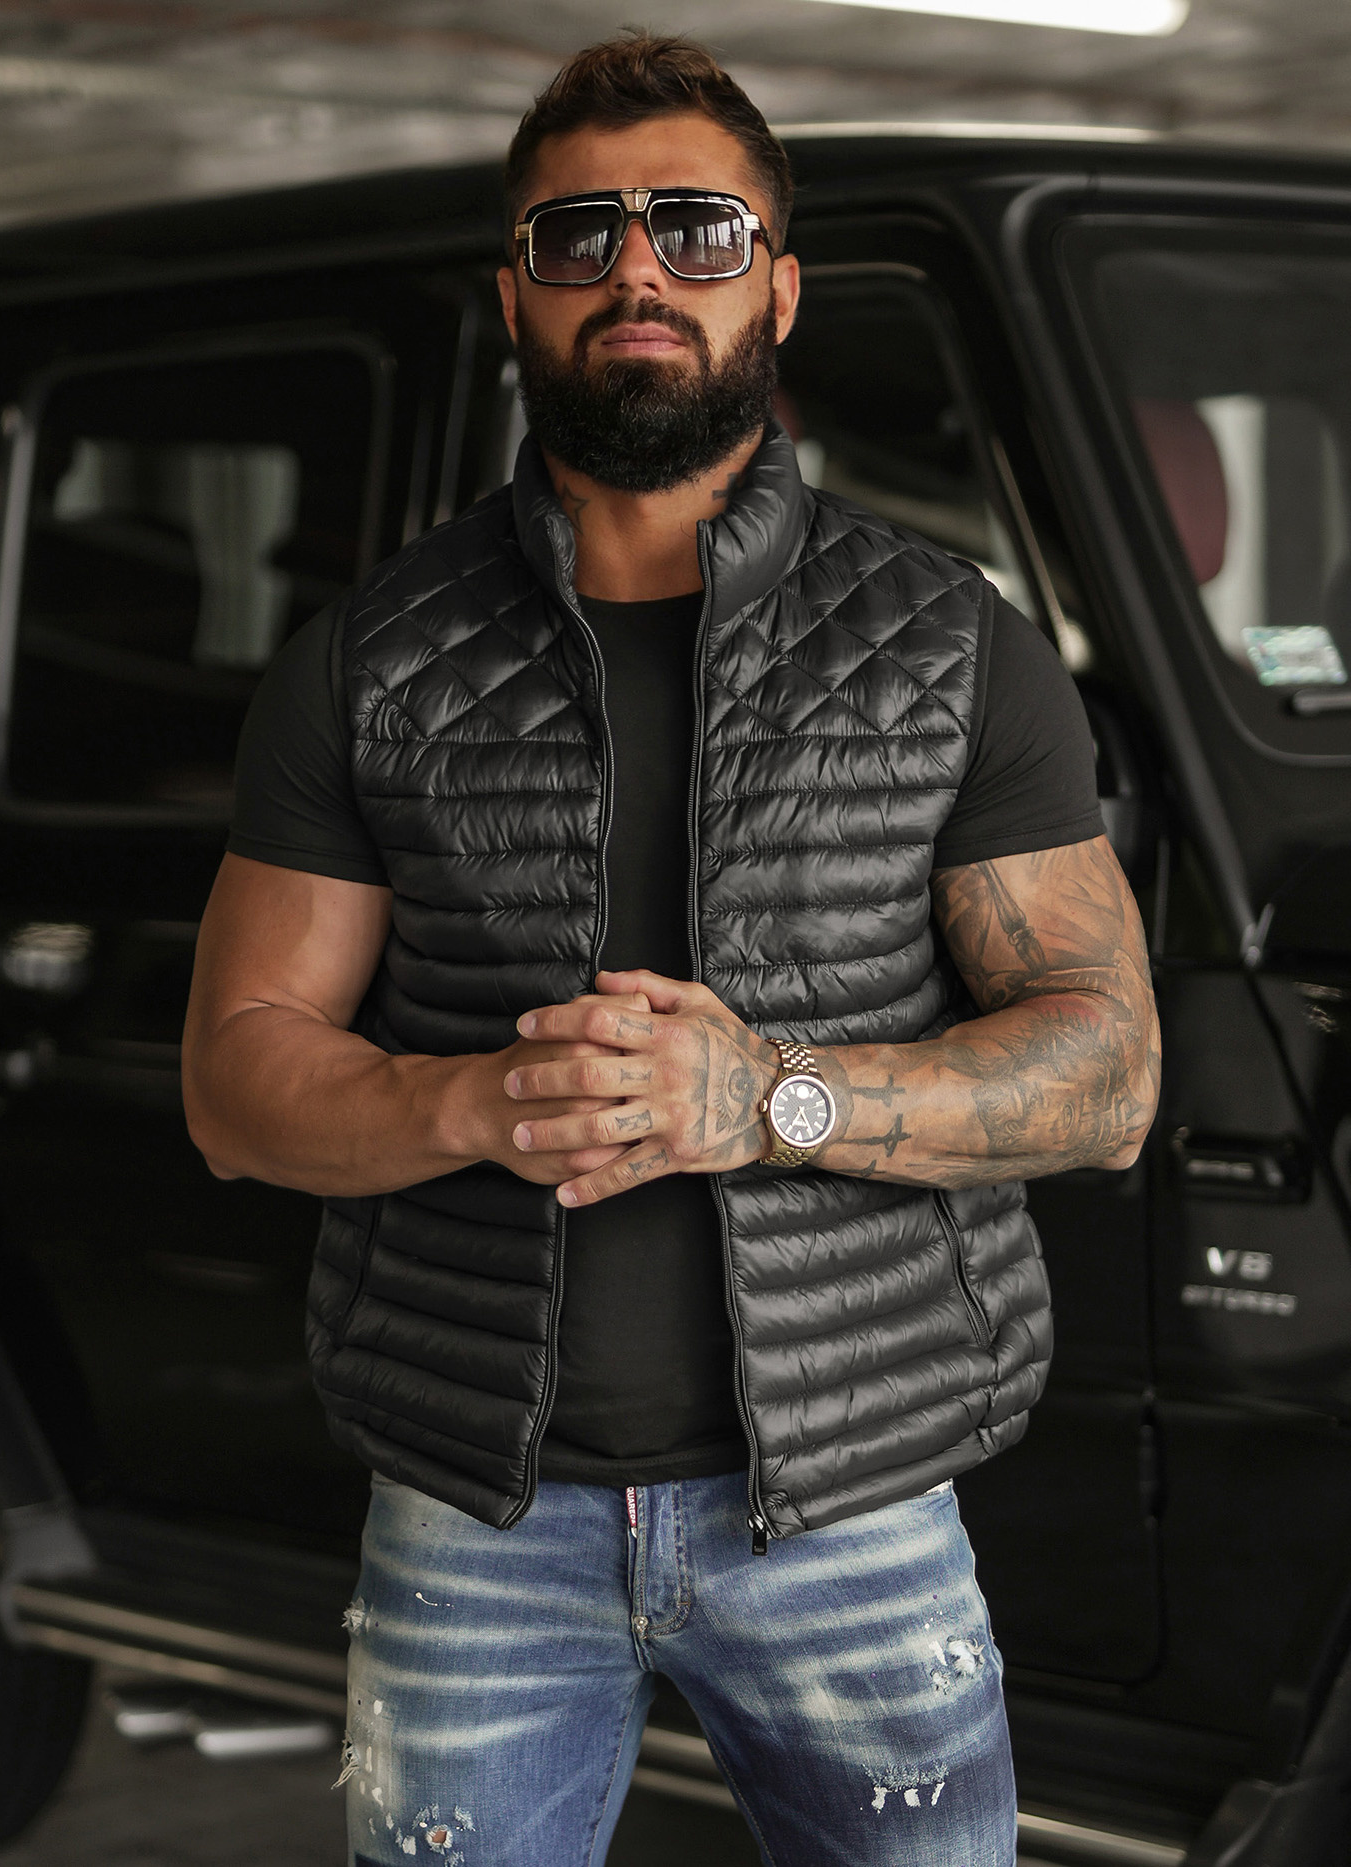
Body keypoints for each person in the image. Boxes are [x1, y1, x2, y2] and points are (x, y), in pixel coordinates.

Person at [182, 31, 1160, 1867]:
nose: (638, 268)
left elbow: (1107, 1074)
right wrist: (474, 1101)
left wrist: (766, 1095)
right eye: (582, 233)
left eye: (698, 228)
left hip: (856, 1510)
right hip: (479, 1521)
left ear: (777, 284)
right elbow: (237, 1085)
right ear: (516, 295)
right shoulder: (368, 661)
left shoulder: (952, 645)